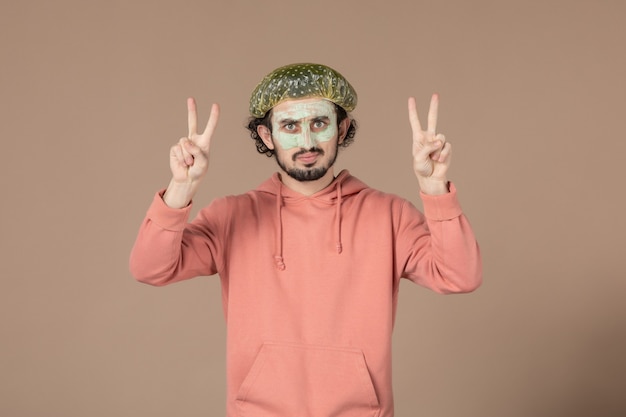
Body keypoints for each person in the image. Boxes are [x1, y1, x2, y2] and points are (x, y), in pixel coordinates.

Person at [130, 63, 482, 417]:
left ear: (341, 129)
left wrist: (434, 187)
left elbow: (460, 275)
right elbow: (150, 268)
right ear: (267, 136)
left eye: (318, 123)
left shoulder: (389, 215)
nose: (307, 142)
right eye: (290, 126)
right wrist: (182, 187)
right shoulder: (231, 216)